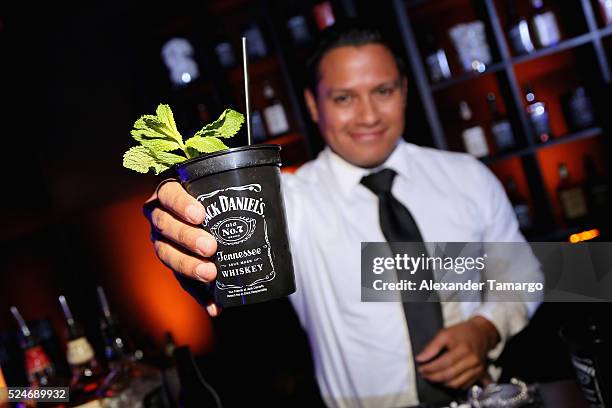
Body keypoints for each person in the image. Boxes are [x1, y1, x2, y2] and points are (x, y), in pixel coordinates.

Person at [143, 21, 541, 407]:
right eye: (344, 98)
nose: (368, 116)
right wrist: (179, 221)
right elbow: (220, 222)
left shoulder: (467, 176)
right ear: (314, 105)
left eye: (383, 90)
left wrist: (486, 328)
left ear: (405, 91)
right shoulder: (291, 201)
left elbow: (524, 272)